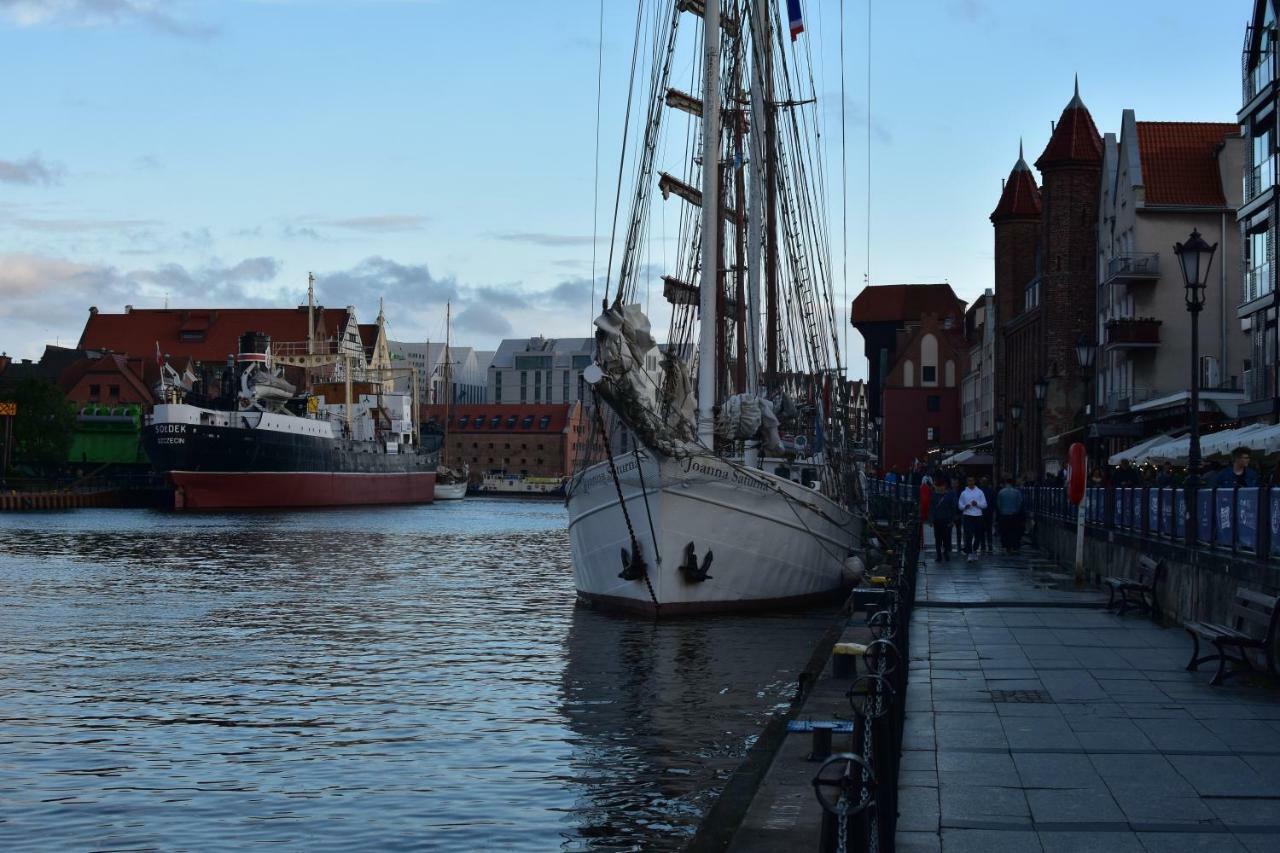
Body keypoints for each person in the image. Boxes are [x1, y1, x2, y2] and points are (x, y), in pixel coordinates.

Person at [958, 475, 988, 562]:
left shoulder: (980, 492)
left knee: (978, 534)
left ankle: (974, 550)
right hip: (967, 515)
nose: (970, 482)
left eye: (972, 481)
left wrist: (977, 504)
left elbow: (985, 505)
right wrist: (964, 506)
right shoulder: (963, 493)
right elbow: (960, 505)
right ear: (967, 482)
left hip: (978, 515)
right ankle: (970, 553)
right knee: (968, 535)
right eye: (969, 481)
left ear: (974, 481)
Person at [929, 479, 959, 561]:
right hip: (937, 520)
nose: (940, 488)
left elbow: (953, 508)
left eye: (942, 486)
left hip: (947, 520)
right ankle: (939, 555)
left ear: (945, 487)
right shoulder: (934, 495)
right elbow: (931, 508)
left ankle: (946, 552)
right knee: (938, 539)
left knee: (946, 538)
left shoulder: (949, 495)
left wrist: (952, 520)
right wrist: (931, 519)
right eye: (939, 487)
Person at [996, 478, 1024, 553]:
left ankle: (1006, 546)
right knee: (1014, 531)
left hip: (1004, 515)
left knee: (1005, 532)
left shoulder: (1001, 492)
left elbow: (998, 504)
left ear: (1005, 483)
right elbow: (1020, 503)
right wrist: (1016, 511)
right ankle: (1014, 546)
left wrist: (1002, 511)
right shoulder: (1017, 492)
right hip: (1014, 515)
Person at [979, 475, 996, 554]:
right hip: (989, 512)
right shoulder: (991, 490)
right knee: (988, 530)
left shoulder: (979, 491)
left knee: (981, 530)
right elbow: (993, 502)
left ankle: (983, 546)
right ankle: (989, 545)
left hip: (981, 513)